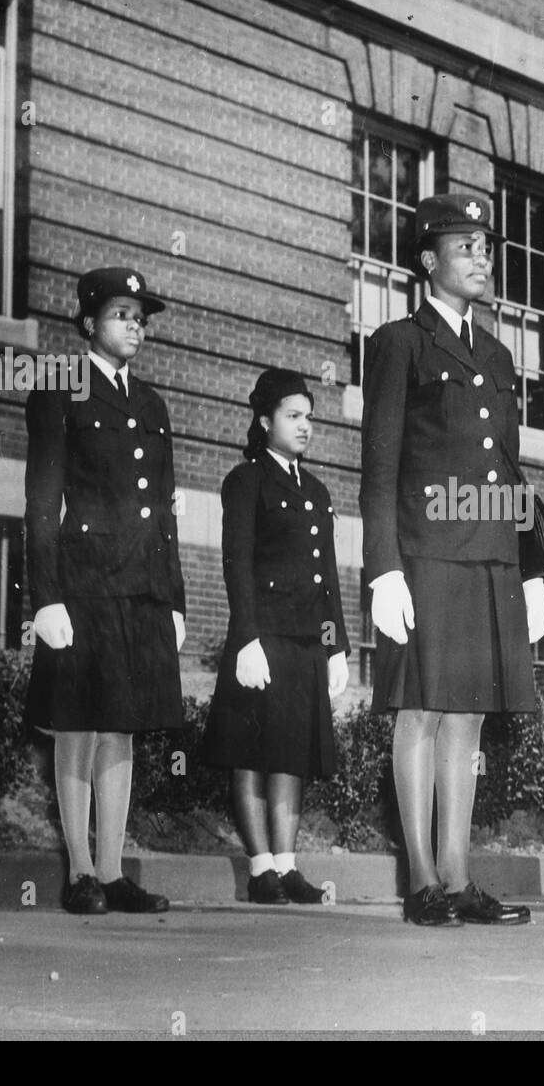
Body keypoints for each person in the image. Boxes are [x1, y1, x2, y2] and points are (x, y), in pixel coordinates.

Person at [360, 193, 544, 926]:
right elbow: (380, 465)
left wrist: (532, 562)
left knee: (467, 717)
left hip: (489, 556)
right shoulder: (399, 343)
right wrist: (382, 567)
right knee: (422, 712)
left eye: (486, 247)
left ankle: (459, 877)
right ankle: (421, 884)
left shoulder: (499, 356)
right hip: (426, 553)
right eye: (465, 246)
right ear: (427, 260)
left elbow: (508, 466)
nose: (482, 258)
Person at [25, 267, 186, 915]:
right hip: (83, 584)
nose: (134, 326)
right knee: (79, 724)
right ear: (89, 322)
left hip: (140, 587)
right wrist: (44, 596)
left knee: (122, 727)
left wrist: (173, 597)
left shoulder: (151, 405)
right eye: (121, 314)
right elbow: (41, 501)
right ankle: (80, 873)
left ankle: (115, 871)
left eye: (139, 317)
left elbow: (165, 512)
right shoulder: (59, 388)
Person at [202, 369, 350, 904]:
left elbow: (328, 579)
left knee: (291, 754)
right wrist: (245, 639)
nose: (305, 426)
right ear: (265, 421)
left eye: (309, 416)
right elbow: (236, 564)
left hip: (306, 642)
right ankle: (260, 867)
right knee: (251, 752)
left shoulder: (315, 490)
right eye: (293, 416)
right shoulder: (246, 482)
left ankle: (287, 866)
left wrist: (335, 647)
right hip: (261, 641)